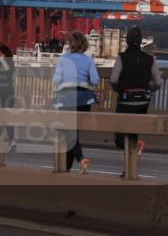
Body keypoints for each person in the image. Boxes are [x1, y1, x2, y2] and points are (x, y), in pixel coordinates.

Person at [52, 31, 100, 173]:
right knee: (73, 133)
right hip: (84, 99)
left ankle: (80, 159)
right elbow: (96, 80)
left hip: (66, 99)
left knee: (67, 133)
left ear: (70, 44)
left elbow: (56, 80)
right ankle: (67, 168)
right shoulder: (89, 60)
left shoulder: (63, 59)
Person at [110, 27, 162, 151]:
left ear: (127, 41)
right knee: (133, 131)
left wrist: (118, 89)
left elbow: (113, 80)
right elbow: (159, 83)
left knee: (120, 137)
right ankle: (130, 167)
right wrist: (149, 90)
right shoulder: (150, 59)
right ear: (140, 41)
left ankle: (136, 146)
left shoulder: (121, 57)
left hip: (125, 101)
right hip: (144, 101)